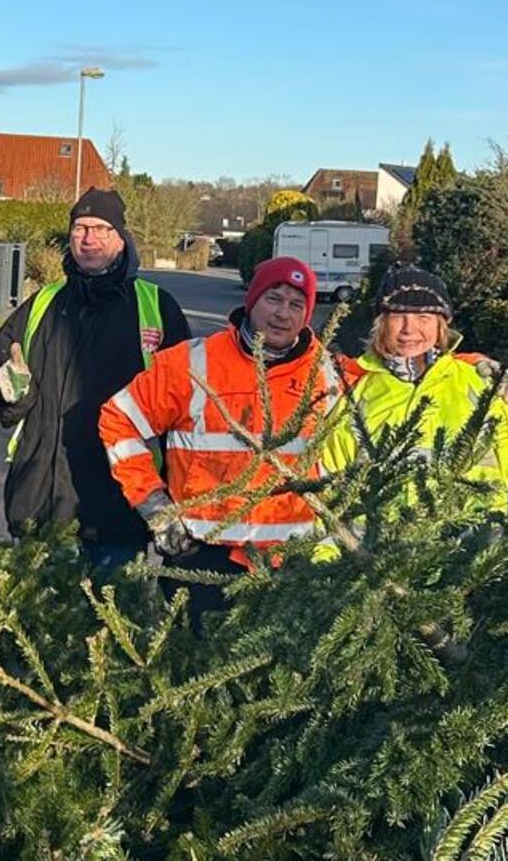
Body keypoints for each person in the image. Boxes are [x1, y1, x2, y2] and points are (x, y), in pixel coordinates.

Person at [99, 257, 344, 616]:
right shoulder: (192, 363)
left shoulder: (330, 375)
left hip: (292, 562)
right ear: (252, 300)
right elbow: (118, 419)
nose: (283, 314)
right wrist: (154, 506)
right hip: (200, 556)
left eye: (297, 305)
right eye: (273, 299)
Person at [0, 188, 191, 574]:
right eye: (79, 228)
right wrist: (10, 391)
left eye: (100, 228)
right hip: (43, 501)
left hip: (120, 507)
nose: (88, 238)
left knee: (111, 625)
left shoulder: (157, 308)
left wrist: (174, 501)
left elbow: (187, 410)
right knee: (36, 628)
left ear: (121, 237)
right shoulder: (43, 304)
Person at [322, 265, 508, 506]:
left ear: (441, 326)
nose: (409, 329)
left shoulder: (484, 386)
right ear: (381, 324)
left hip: (480, 542)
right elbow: (329, 495)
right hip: (378, 544)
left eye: (423, 317)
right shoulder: (356, 396)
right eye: (398, 316)